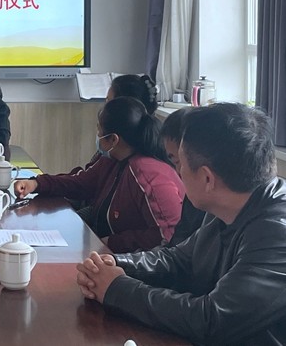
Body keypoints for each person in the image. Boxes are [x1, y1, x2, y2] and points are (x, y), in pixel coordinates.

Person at [76, 103, 286, 345]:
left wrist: (116, 288)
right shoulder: (225, 202)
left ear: (207, 178)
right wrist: (114, 264)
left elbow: (211, 319)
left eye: (180, 165)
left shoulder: (277, 233)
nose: (178, 173)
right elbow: (179, 259)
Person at [15, 97, 184, 252]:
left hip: (132, 261)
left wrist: (112, 243)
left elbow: (167, 235)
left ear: (114, 139)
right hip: (103, 248)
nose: (97, 136)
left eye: (99, 131)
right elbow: (80, 183)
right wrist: (37, 183)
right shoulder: (113, 159)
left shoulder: (148, 174)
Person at [69, 74, 159, 175]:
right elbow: (86, 178)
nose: (104, 108)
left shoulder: (130, 163)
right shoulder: (116, 154)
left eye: (108, 102)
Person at [159, 107, 205, 246]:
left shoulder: (216, 206)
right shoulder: (193, 197)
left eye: (178, 162)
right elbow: (178, 249)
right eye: (174, 162)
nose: (178, 171)